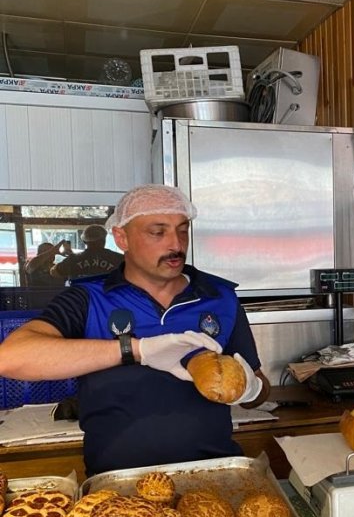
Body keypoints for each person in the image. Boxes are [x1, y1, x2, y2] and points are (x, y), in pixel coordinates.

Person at [0, 184, 270, 475]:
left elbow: (259, 388)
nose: (176, 245)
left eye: (182, 230)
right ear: (121, 237)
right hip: (118, 483)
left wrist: (250, 389)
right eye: (158, 232)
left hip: (214, 472)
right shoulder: (88, 298)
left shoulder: (220, 298)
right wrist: (136, 349)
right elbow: (11, 357)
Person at [50, 224, 123, 280]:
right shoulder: (119, 259)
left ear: (84, 241)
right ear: (104, 239)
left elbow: (54, 272)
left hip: (81, 297)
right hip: (110, 297)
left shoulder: (73, 260)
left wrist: (71, 258)